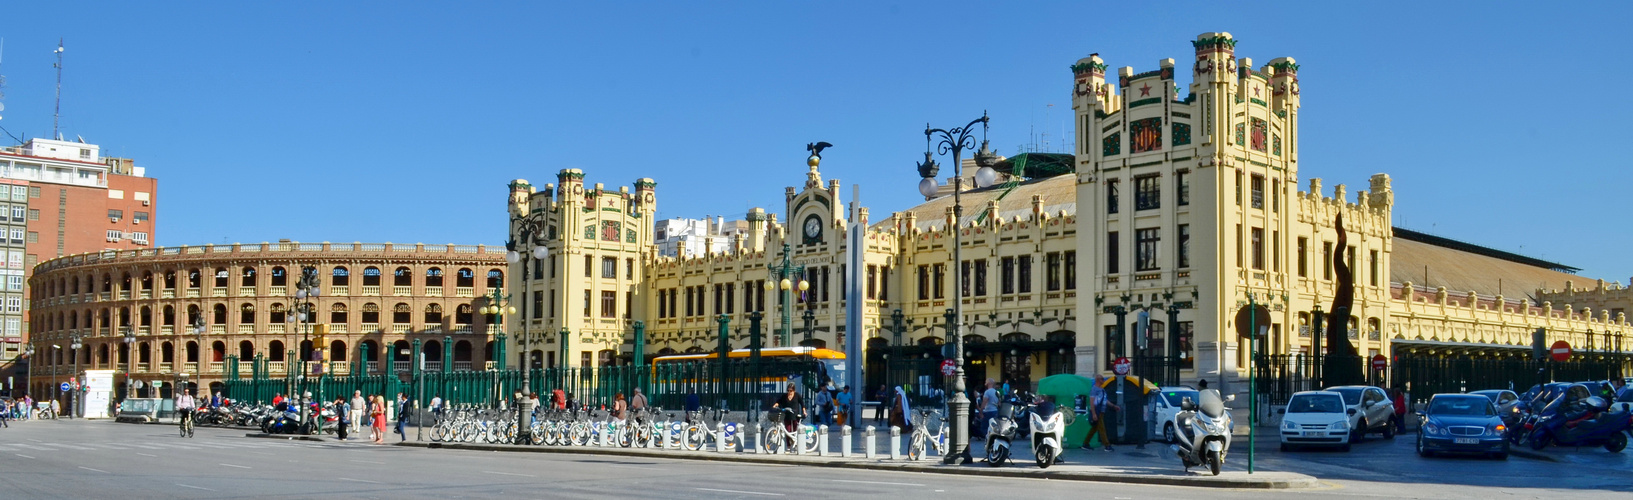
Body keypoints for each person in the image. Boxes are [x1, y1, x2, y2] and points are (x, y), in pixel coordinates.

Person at [1081, 374, 1117, 452]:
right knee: (1102, 428)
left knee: (1094, 429)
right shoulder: (1094, 390)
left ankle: (1085, 443)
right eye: (1102, 379)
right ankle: (1107, 445)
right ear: (1098, 380)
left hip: (1101, 411)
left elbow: (1105, 400)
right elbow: (1092, 402)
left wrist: (1113, 406)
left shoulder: (1102, 390)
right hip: (1098, 411)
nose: (1103, 380)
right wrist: (1094, 413)